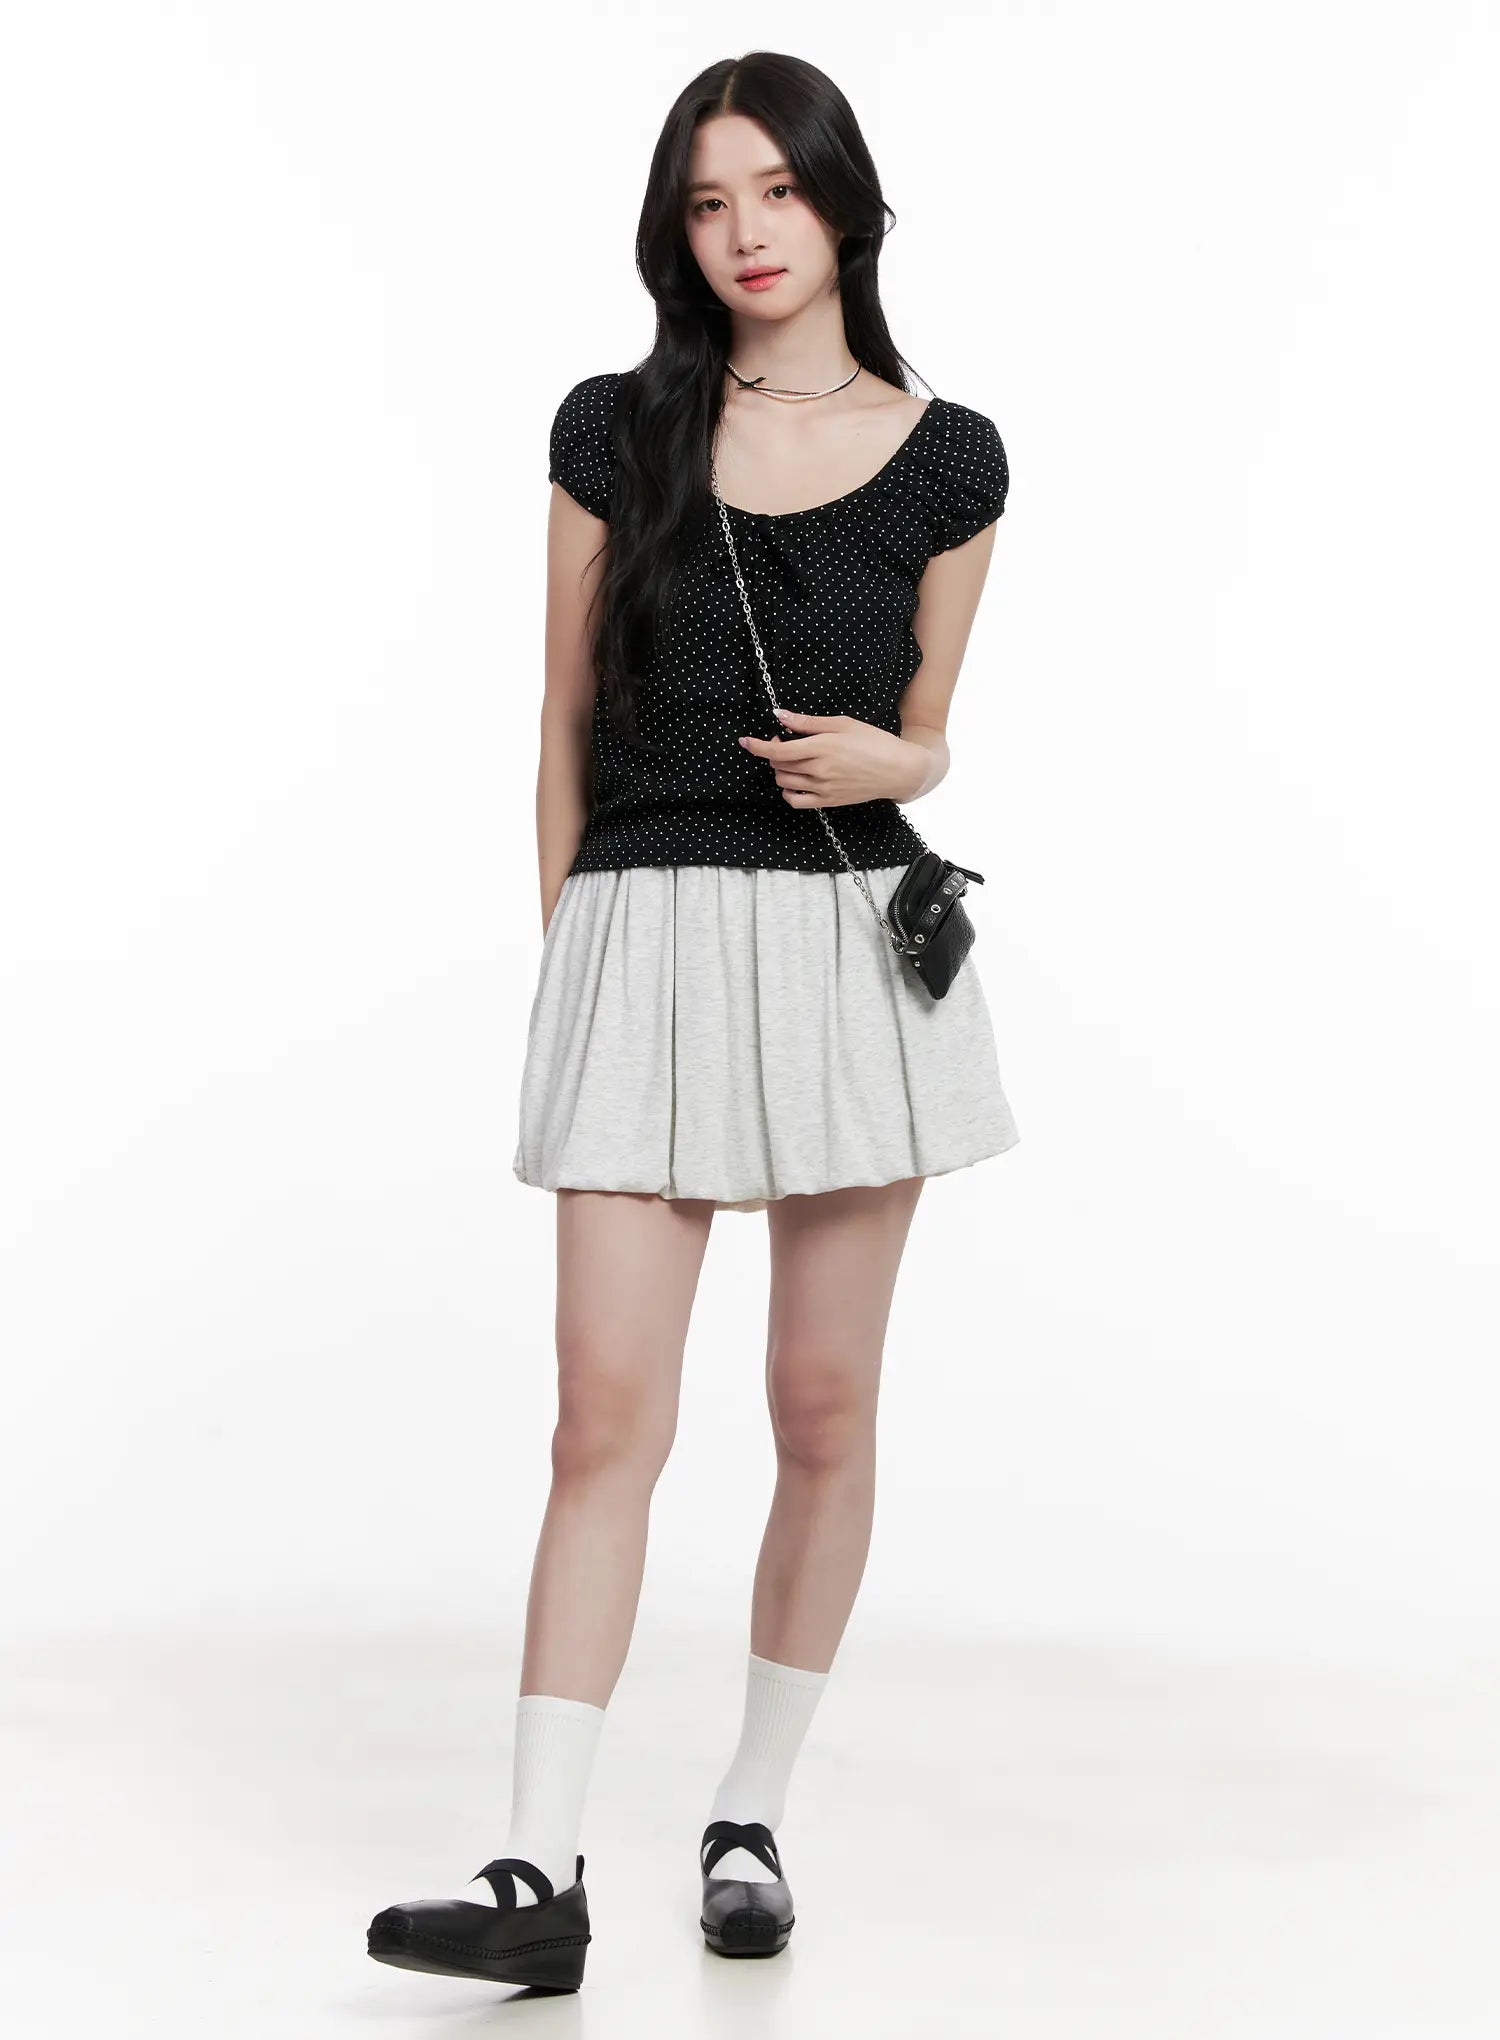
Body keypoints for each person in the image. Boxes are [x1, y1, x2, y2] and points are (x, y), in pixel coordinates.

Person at [367, 48, 1020, 1992]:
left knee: (822, 1407)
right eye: (709, 201)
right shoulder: (615, 429)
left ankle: (749, 1814)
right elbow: (562, 722)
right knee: (603, 1416)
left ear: (846, 206)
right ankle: (533, 1873)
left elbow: (929, 724)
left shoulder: (953, 457)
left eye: (777, 192)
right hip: (645, 932)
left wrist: (904, 758)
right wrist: (567, 953)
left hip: (845, 942)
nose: (745, 233)